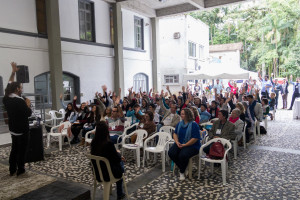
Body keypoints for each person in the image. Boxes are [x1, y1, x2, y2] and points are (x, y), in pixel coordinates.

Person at [3, 62, 32, 176]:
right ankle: (20, 169)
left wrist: (13, 73)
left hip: (13, 129)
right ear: (17, 89)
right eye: (21, 87)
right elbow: (28, 113)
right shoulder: (20, 101)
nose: (22, 89)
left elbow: (9, 84)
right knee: (22, 150)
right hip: (22, 130)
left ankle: (11, 169)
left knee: (14, 148)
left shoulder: (6, 98)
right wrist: (28, 104)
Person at [90, 122, 126, 200]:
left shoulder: (93, 142)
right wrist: (119, 155)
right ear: (106, 131)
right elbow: (115, 158)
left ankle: (118, 192)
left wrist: (117, 154)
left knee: (118, 161)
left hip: (97, 173)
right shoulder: (108, 144)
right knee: (121, 164)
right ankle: (120, 193)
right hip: (108, 174)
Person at [168, 108, 201, 181]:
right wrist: (177, 142)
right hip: (180, 143)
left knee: (182, 155)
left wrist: (185, 145)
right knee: (171, 153)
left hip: (192, 145)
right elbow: (175, 134)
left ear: (187, 115)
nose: (181, 115)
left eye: (183, 114)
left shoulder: (194, 124)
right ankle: (182, 166)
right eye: (181, 114)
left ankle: (182, 172)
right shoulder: (180, 123)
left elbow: (195, 138)